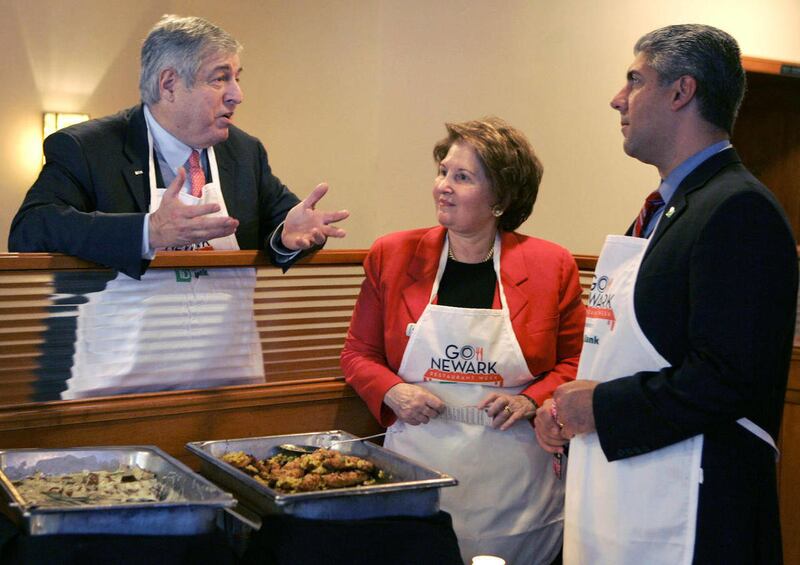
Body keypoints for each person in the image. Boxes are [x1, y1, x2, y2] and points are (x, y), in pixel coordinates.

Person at [534, 24, 798, 565]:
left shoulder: (738, 209)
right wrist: (566, 408)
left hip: (694, 513)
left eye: (635, 79)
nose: (617, 99)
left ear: (682, 91)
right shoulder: (666, 209)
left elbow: (727, 376)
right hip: (628, 498)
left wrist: (600, 406)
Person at [6, 15, 348, 398]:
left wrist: (290, 236)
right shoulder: (88, 148)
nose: (237, 94)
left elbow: (280, 230)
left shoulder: (244, 151)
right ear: (169, 84)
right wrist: (148, 232)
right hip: (117, 392)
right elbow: (32, 227)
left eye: (237, 77)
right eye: (219, 78)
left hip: (226, 385)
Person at [341, 117, 586, 564]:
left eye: (463, 177)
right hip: (420, 459)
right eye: (443, 172)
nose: (443, 187)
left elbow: (576, 361)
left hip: (514, 474)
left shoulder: (552, 265)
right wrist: (393, 391)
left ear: (501, 199)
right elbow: (359, 353)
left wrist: (532, 399)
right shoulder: (392, 255)